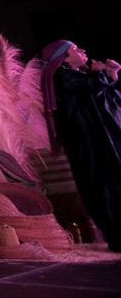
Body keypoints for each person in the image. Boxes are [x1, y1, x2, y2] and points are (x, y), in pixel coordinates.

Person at [40, 40, 121, 251]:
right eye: (75, 49)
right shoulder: (61, 79)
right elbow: (89, 91)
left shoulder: (81, 77)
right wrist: (98, 74)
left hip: (106, 144)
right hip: (92, 148)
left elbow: (107, 102)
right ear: (63, 58)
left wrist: (110, 76)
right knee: (104, 187)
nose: (83, 51)